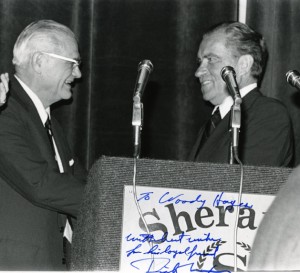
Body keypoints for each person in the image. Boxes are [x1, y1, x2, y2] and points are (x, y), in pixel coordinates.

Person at [0, 20, 87, 270]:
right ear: (39, 61)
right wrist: (119, 201)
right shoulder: (4, 111)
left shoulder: (49, 123)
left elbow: (79, 182)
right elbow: (39, 183)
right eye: (73, 63)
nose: (78, 74)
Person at [189, 21, 294, 167]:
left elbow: (247, 184)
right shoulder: (212, 123)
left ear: (244, 65)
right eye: (200, 61)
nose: (198, 72)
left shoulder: (269, 114)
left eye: (211, 59)